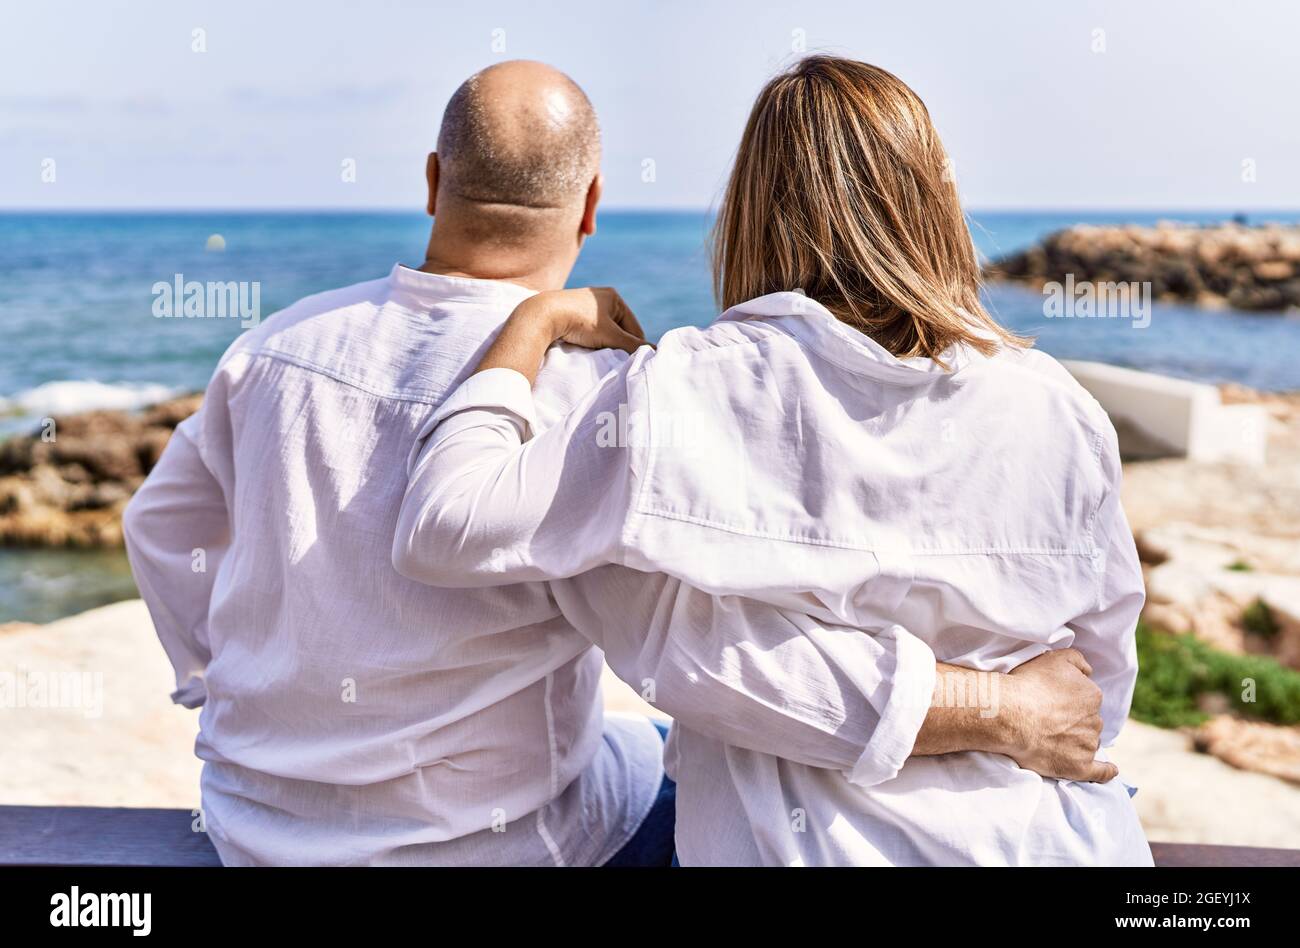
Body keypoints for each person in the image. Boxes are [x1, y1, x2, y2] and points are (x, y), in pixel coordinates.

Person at [392, 56, 1153, 865]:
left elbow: (446, 523)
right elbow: (1093, 693)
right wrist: (995, 708)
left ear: (753, 208)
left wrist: (533, 326)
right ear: (934, 197)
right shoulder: (1058, 404)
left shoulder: (688, 390)